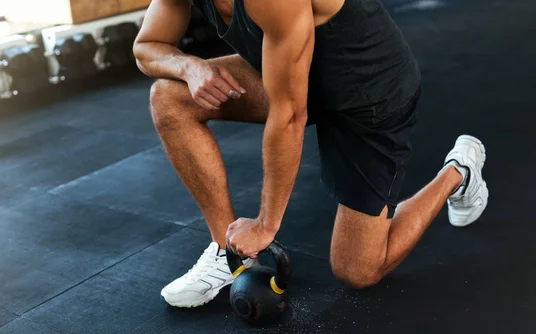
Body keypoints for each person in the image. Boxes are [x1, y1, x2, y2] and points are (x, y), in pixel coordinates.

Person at [132, 0, 488, 307]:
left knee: (358, 271)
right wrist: (189, 66)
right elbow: (147, 45)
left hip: (370, 94)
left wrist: (266, 224)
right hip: (295, 79)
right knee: (169, 97)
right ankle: (226, 255)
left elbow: (288, 115)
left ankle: (458, 171)